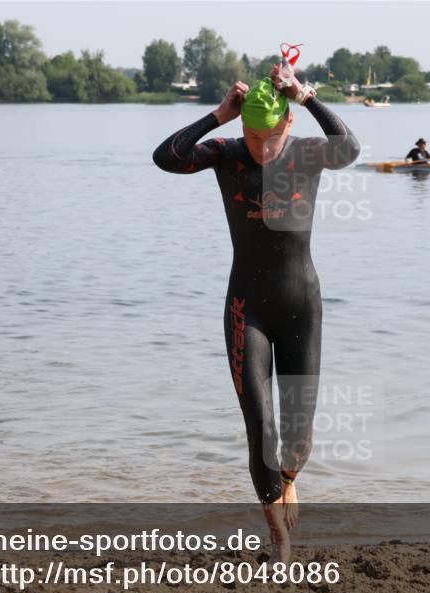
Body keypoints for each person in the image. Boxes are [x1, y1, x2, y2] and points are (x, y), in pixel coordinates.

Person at [153, 64, 359, 560]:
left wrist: (306, 97)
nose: (262, 147)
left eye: (269, 135)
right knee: (260, 423)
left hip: (301, 306)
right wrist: (218, 115)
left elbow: (349, 148)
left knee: (298, 441)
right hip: (247, 306)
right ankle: (278, 537)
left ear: (287, 124)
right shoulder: (226, 154)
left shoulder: (309, 153)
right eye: (252, 134)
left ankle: (289, 481)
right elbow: (166, 158)